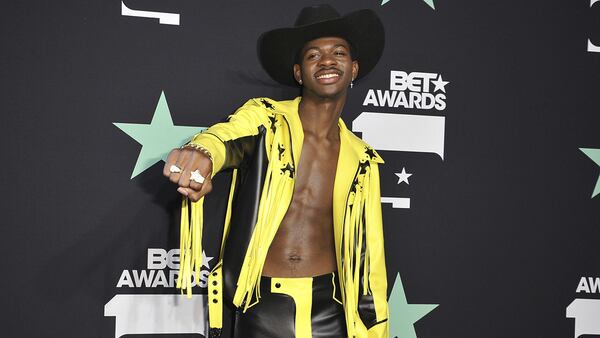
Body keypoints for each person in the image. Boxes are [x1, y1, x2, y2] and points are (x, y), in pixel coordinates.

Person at [163, 4, 389, 338]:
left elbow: (370, 257)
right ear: (299, 73)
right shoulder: (265, 120)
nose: (327, 61)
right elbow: (226, 137)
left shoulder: (363, 160)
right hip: (263, 307)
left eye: (338, 52)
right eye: (314, 55)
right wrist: (201, 152)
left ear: (353, 69)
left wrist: (376, 328)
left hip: (332, 311)